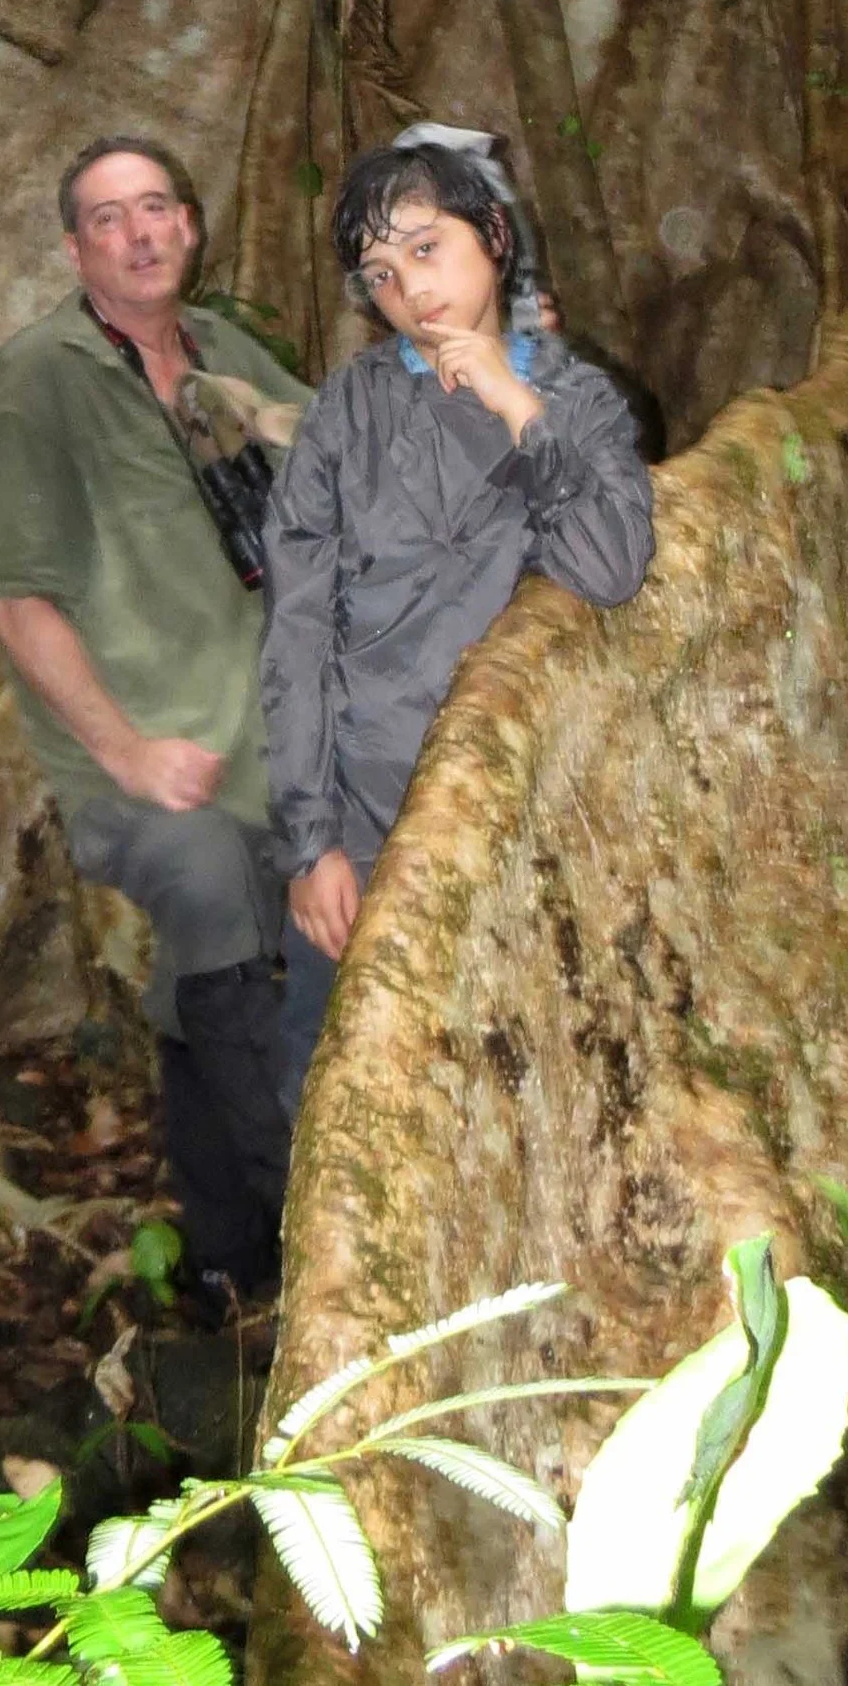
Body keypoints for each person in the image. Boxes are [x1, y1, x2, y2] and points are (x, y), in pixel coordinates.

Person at [0, 136, 311, 1297]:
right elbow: (15, 596)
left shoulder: (223, 352)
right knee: (215, 890)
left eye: (157, 206)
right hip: (139, 771)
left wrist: (497, 361)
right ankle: (324, 1242)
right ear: (75, 248)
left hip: (266, 744)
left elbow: (346, 451)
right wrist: (124, 748)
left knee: (233, 959)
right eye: (109, 218)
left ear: (192, 223)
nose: (141, 232)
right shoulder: (42, 377)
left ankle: (223, 1256)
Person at [260, 135, 654, 1114]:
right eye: (382, 272)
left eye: (427, 249)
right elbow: (297, 629)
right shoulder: (347, 410)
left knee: (515, 1087)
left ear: (492, 234)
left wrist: (514, 400)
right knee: (335, 1092)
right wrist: (310, 842)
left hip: (522, 809)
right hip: (361, 811)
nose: (410, 290)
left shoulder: (573, 399)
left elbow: (609, 564)